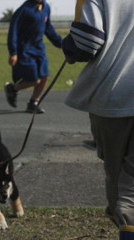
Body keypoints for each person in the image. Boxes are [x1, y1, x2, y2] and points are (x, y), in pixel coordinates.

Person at [62, 0, 134, 239]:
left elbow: (88, 42)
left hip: (112, 98)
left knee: (118, 179)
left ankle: (124, 220)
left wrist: (69, 48)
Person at [5, 0, 62, 114]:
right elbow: (13, 30)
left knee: (45, 76)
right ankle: (12, 89)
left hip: (39, 48)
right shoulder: (24, 10)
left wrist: (62, 43)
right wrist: (13, 52)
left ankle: (33, 103)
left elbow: (48, 28)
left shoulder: (46, 7)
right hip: (24, 49)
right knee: (34, 80)